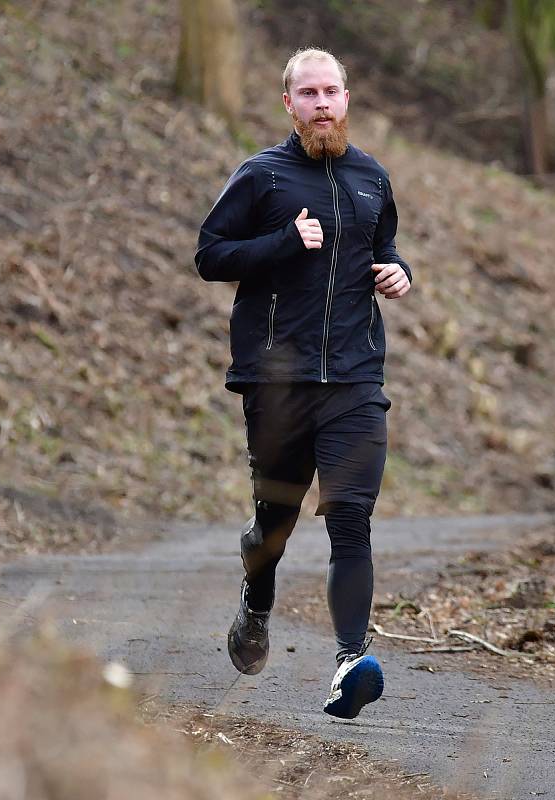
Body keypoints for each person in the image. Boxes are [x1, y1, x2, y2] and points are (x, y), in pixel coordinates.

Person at [195, 47, 412, 719]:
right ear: (287, 103)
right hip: (277, 378)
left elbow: (386, 249)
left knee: (350, 515)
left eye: (331, 92)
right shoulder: (260, 176)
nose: (321, 103)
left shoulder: (371, 178)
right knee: (276, 520)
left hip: (353, 377)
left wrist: (397, 272)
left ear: (346, 100)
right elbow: (210, 255)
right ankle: (256, 604)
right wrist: (282, 243)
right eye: (308, 93)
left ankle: (350, 661)